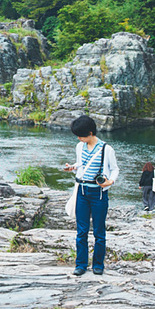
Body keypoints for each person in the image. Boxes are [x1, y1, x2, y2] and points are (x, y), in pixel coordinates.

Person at [64, 115, 118, 276]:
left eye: (81, 135)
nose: (79, 139)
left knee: (99, 231)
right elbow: (81, 164)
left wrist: (110, 181)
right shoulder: (80, 147)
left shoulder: (106, 149)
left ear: (90, 132)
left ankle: (98, 265)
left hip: (98, 193)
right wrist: (72, 167)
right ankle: (80, 264)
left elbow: (115, 169)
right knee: (81, 231)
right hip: (81, 191)